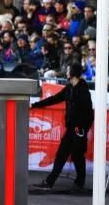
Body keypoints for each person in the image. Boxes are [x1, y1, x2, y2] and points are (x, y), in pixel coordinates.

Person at [31, 63, 94, 192]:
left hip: (78, 130)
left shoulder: (83, 91)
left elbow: (89, 113)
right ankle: (51, 182)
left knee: (77, 156)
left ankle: (78, 183)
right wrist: (36, 104)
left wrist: (82, 129)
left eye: (68, 70)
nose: (66, 73)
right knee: (63, 155)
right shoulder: (69, 88)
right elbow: (54, 99)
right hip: (71, 129)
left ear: (72, 73)